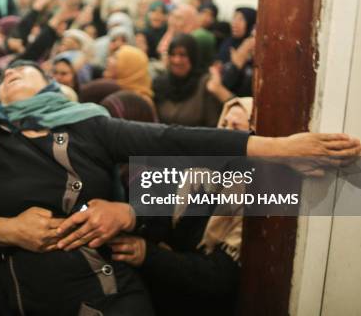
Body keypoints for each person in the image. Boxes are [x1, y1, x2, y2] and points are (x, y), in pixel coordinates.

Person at [0, 61, 361, 315]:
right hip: (21, 301)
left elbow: (175, 144)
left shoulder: (91, 126)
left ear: (55, 87)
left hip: (108, 298)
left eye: (25, 69)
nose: (11, 72)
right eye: (4, 73)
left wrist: (280, 151)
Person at [107, 96, 254, 316]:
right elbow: (161, 218)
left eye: (237, 129)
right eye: (223, 125)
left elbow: (220, 277)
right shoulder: (199, 174)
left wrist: (148, 254)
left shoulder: (250, 195)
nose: (226, 135)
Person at [153, 34, 223, 127]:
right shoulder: (160, 84)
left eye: (183, 55)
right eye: (173, 54)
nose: (177, 60)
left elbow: (213, 125)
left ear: (193, 57)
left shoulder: (205, 84)